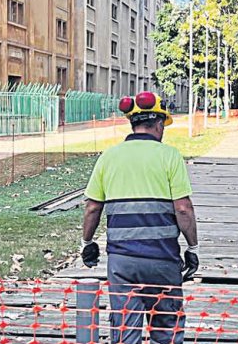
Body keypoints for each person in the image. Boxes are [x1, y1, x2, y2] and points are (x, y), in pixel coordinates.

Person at [82, 92, 199, 344]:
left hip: (122, 263)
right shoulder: (169, 156)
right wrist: (192, 247)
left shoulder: (109, 157)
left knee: (125, 331)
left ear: (132, 123)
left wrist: (88, 243)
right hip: (163, 260)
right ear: (158, 124)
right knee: (167, 329)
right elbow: (183, 209)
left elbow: (92, 208)